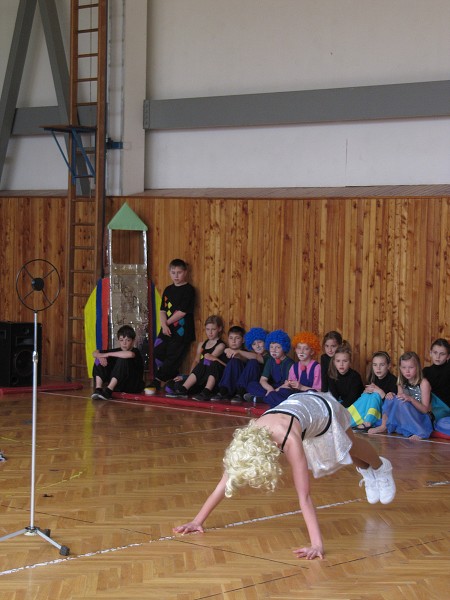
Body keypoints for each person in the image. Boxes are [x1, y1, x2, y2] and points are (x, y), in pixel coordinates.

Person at [173, 390, 396, 560]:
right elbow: (225, 482)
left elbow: (304, 496)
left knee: (350, 448)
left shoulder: (290, 441)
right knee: (345, 456)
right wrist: (197, 520)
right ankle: (366, 470)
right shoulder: (246, 440)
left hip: (322, 413)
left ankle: (379, 467)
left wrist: (317, 544)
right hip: (298, 409)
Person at [150, 259, 196, 390]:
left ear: (185, 273)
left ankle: (158, 380)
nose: (176, 276)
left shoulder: (188, 290)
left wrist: (166, 324)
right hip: (166, 328)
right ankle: (171, 375)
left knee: (173, 355)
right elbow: (162, 310)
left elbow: (182, 312)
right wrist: (164, 325)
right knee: (158, 351)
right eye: (173, 272)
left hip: (182, 331)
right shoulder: (168, 289)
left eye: (179, 272)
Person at [369, 351, 433, 440]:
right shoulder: (401, 382)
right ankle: (384, 425)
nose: (407, 371)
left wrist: (410, 399)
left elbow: (425, 410)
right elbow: (399, 402)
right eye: (404, 367)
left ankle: (419, 431)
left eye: (411, 367)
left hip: (420, 418)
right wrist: (391, 395)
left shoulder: (423, 383)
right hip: (405, 415)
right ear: (400, 368)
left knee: (402, 401)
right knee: (391, 398)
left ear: (417, 367)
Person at [165, 315, 226, 399]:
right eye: (208, 329)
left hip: (212, 377)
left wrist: (186, 377)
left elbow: (208, 361)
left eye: (213, 329)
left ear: (219, 329)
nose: (210, 332)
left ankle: (205, 391)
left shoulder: (221, 345)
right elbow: (196, 361)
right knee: (172, 384)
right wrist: (188, 377)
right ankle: (183, 389)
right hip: (201, 375)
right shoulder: (202, 344)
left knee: (206, 361)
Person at [262, 331, 322, 408]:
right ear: (295, 350)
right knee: (276, 394)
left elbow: (319, 392)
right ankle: (289, 406)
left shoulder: (317, 367)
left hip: (309, 398)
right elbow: (289, 387)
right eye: (299, 348)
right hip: (295, 396)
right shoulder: (294, 367)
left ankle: (287, 406)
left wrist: (301, 387)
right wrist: (286, 385)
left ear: (312, 351)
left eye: (306, 349)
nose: (301, 351)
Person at [210, 326, 265, 402]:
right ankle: (223, 391)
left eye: (260, 342)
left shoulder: (268, 355)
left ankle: (240, 393)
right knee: (234, 361)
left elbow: (257, 358)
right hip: (237, 385)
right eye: (254, 344)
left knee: (253, 362)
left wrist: (238, 352)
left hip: (255, 386)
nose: (257, 346)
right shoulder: (249, 353)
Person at [91, 325, 144, 400]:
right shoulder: (117, 350)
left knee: (123, 359)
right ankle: (98, 389)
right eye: (122, 340)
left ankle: (108, 391)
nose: (124, 343)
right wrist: (100, 356)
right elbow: (95, 353)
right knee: (98, 359)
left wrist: (107, 354)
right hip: (119, 385)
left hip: (132, 385)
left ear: (133, 341)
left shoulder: (135, 351)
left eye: (128, 340)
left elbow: (130, 354)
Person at [348, 351, 398, 430]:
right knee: (366, 395)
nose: (378, 368)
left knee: (375, 395)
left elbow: (392, 404)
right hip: (372, 410)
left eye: (382, 365)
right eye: (375, 365)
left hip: (384, 414)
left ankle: (368, 422)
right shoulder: (373, 378)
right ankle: (347, 418)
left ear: (389, 366)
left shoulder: (393, 381)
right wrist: (365, 392)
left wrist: (381, 393)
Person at [243, 330, 294, 404]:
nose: (274, 350)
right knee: (251, 385)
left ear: (284, 348)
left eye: (278, 347)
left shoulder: (290, 363)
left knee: (286, 391)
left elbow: (288, 383)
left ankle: (262, 398)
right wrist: (270, 389)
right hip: (272, 388)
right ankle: (268, 398)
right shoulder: (270, 360)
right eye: (271, 347)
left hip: (282, 388)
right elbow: (263, 380)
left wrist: (273, 391)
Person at [327, 342, 364, 408]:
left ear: (350, 362)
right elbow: (334, 397)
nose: (341, 364)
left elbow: (352, 398)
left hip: (357, 403)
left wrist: (340, 409)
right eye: (338, 361)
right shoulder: (332, 376)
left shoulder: (355, 377)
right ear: (334, 362)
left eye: (345, 361)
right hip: (342, 403)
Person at [422, 338, 450, 421]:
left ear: (448, 356)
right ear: (430, 353)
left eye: (442, 354)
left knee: (427, 417)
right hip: (428, 404)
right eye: (435, 353)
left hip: (444, 407)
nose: (438, 357)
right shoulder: (426, 371)